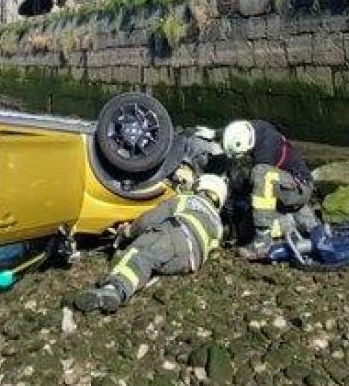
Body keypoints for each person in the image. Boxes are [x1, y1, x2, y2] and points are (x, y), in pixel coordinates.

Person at [73, 174, 227, 313]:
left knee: (138, 255)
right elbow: (211, 250)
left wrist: (128, 232)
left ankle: (114, 289)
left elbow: (152, 218)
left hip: (174, 235)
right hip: (189, 262)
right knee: (151, 263)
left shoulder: (188, 199)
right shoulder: (218, 224)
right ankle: (134, 283)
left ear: (200, 186)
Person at [220, 119, 317, 261]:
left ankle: (263, 240)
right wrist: (216, 133)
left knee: (260, 174)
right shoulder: (254, 129)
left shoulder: (265, 150)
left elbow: (263, 185)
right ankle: (304, 225)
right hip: (289, 186)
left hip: (298, 186)